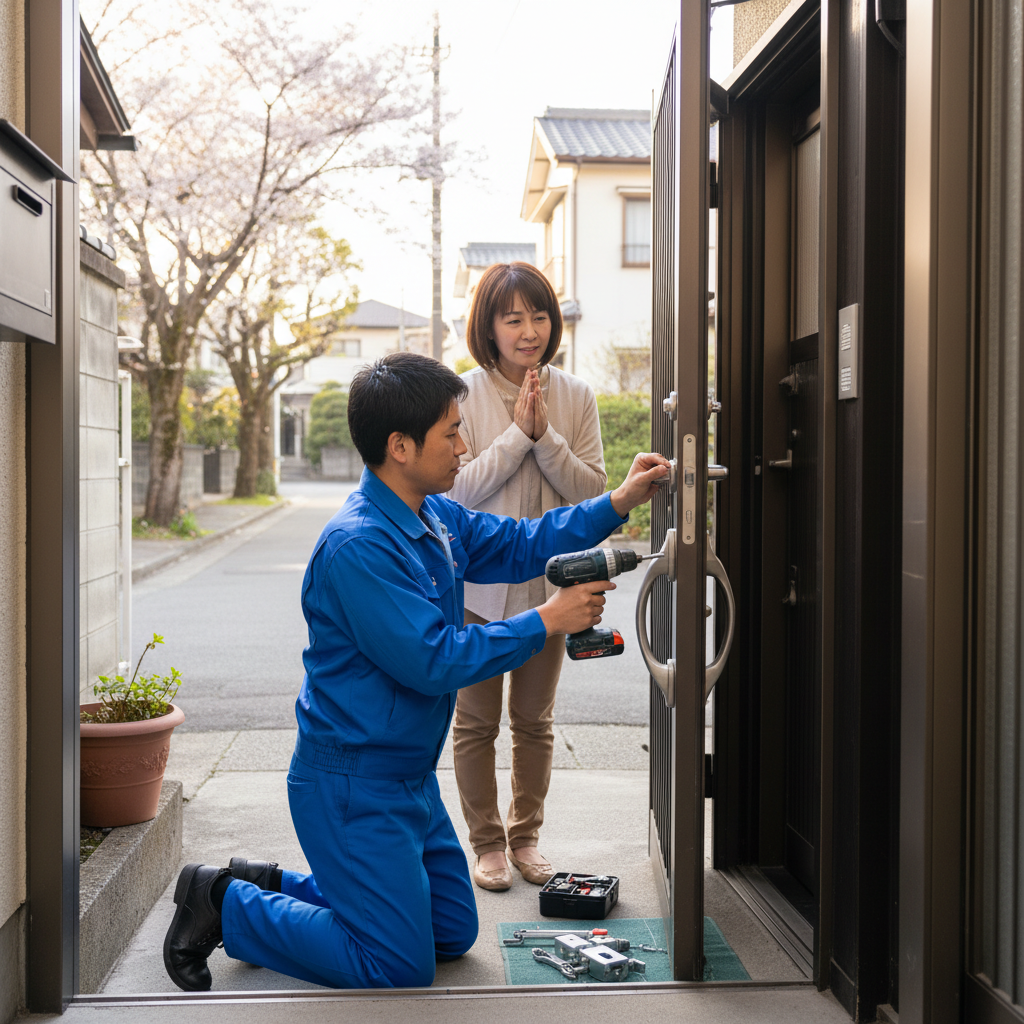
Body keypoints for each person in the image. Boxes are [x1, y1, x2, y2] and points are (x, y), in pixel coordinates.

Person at [162, 352, 668, 992]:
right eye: (452, 432)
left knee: (451, 933)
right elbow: (435, 660)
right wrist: (546, 619)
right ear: (400, 446)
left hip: (406, 778)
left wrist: (617, 501)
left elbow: (520, 543)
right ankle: (228, 906)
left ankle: (268, 883)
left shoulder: (435, 515)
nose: (465, 444)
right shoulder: (359, 546)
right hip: (351, 783)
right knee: (396, 964)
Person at [448, 262, 606, 892]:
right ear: (488, 325)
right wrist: (519, 435)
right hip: (478, 596)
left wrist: (548, 441)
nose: (529, 330)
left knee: (534, 723)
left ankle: (526, 837)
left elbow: (592, 494)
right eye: (512, 317)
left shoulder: (576, 395)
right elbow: (453, 491)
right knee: (475, 724)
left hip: (553, 591)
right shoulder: (460, 394)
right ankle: (486, 843)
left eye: (539, 315)